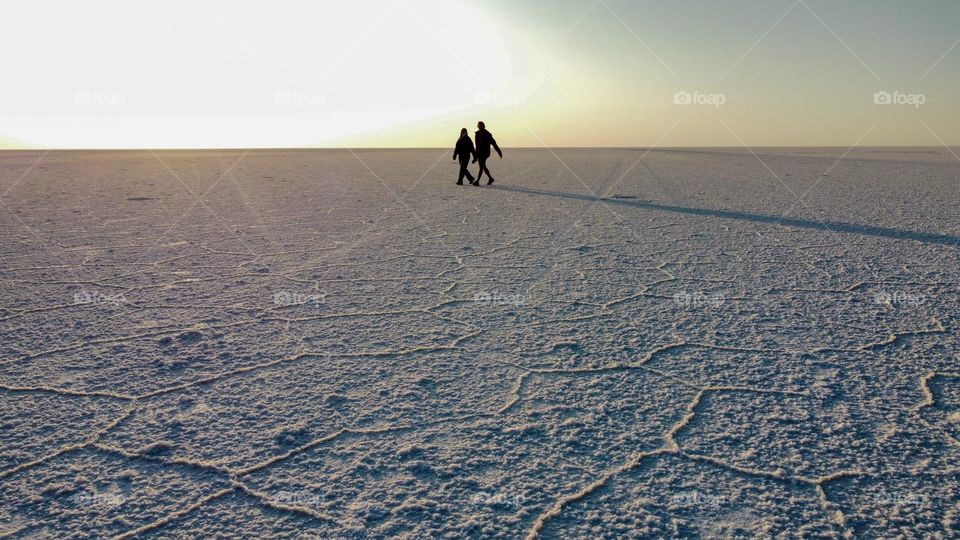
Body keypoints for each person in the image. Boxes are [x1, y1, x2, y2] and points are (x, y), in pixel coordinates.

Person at [473, 121, 502, 185]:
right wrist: (475, 156)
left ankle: (478, 181)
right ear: (478, 126)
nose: (480, 126)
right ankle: (490, 178)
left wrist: (499, 152)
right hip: (479, 153)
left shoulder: (488, 134)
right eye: (479, 125)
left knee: (482, 166)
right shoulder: (477, 134)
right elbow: (477, 146)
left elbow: (494, 144)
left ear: (484, 126)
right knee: (482, 166)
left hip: (485, 153)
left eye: (481, 125)